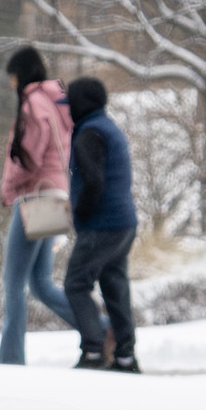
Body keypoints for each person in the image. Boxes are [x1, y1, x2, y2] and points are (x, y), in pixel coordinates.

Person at [0, 46, 77, 364]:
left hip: (37, 197)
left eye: (12, 77)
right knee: (40, 283)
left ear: (21, 75)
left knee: (13, 281)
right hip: (56, 194)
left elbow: (29, 155)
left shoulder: (33, 104)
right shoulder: (55, 102)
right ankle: (99, 328)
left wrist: (9, 186)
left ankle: (10, 360)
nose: (11, 85)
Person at [61, 76, 142, 372]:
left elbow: (94, 182)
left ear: (80, 105)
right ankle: (125, 356)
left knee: (75, 284)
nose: (67, 109)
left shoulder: (88, 133)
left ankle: (94, 351)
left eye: (69, 103)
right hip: (124, 223)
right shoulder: (109, 128)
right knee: (114, 286)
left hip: (102, 224)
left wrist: (80, 212)